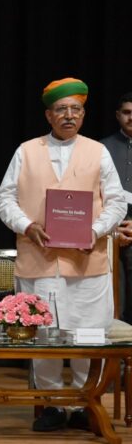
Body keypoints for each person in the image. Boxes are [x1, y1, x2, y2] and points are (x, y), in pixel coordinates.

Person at [0, 78, 125, 432]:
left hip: (88, 262)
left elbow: (115, 200)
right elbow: (4, 198)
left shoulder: (99, 151)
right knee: (44, 335)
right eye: (61, 109)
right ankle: (51, 405)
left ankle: (87, 403)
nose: (69, 116)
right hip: (39, 261)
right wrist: (26, 225)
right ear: (49, 115)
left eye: (76, 109)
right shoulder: (26, 150)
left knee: (87, 333)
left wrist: (95, 230)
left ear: (83, 114)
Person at [103, 92, 132, 322]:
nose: (131, 117)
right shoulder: (101, 148)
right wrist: (113, 229)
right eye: (127, 112)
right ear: (117, 115)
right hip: (109, 229)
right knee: (114, 297)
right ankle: (117, 356)